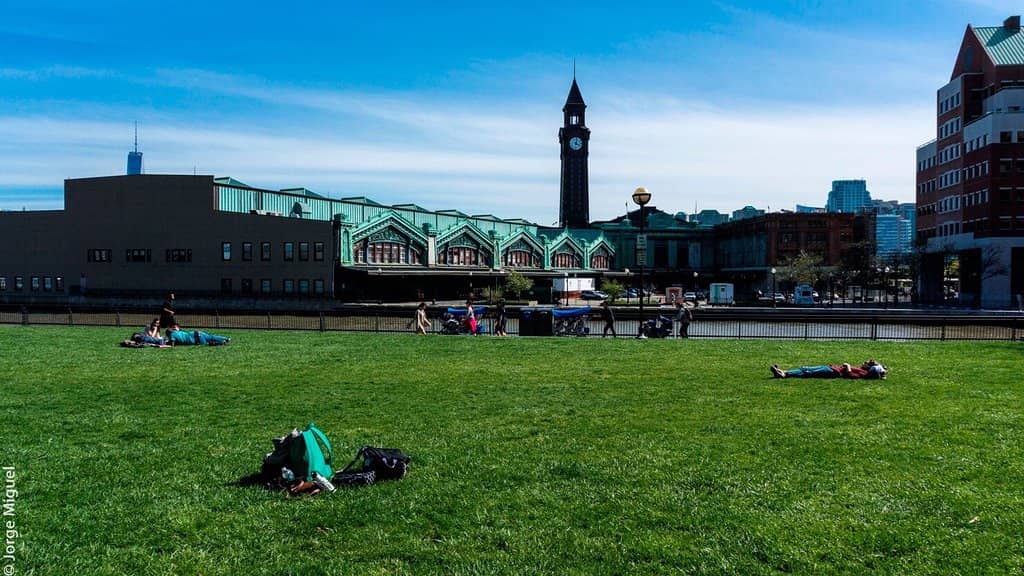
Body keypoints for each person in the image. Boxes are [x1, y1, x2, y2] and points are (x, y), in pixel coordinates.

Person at [770, 359, 887, 379]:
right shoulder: (865, 371)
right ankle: (784, 372)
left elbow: (851, 375)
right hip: (832, 369)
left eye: (867, 363)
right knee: (805, 368)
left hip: (834, 372)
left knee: (809, 372)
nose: (865, 363)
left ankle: (785, 374)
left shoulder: (864, 374)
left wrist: (848, 367)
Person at [165, 323, 231, 346]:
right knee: (211, 337)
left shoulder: (172, 335)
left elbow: (172, 345)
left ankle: (222, 342)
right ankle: (226, 338)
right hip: (195, 332)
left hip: (196, 338)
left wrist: (166, 343)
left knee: (207, 344)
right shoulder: (180, 332)